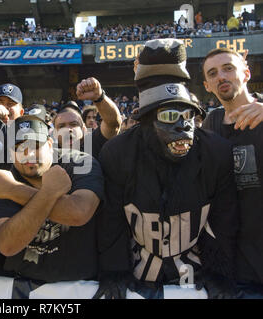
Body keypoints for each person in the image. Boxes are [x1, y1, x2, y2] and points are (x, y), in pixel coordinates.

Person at [96, 39, 239, 299]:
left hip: (194, 273)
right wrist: (114, 272)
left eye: (188, 117)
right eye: (169, 117)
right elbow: (112, 223)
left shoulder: (216, 152)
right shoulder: (117, 153)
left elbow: (223, 222)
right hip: (140, 272)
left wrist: (220, 274)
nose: (184, 128)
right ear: (146, 122)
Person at [0, 114, 104, 282]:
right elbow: (7, 245)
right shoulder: (4, 177)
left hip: (80, 284)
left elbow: (79, 212)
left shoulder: (79, 163)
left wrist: (14, 190)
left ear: (49, 144)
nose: (28, 153)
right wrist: (49, 194)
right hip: (24, 285)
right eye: (19, 147)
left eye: (35, 145)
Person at [202, 47, 263, 297]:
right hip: (235, 269)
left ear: (246, 73)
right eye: (213, 73)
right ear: (207, 86)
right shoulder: (210, 125)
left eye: (228, 68)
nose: (221, 77)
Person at [52, 77, 122, 160]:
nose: (68, 129)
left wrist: (99, 97)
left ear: (84, 129)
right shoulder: (49, 155)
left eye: (74, 124)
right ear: (55, 133)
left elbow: (113, 123)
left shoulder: (93, 144)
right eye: (61, 126)